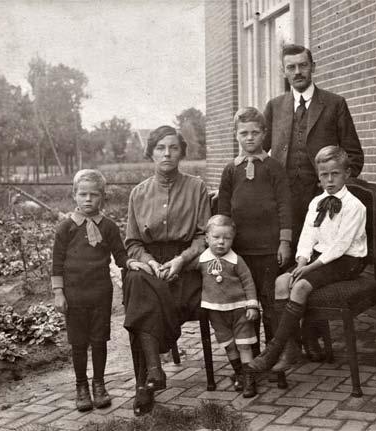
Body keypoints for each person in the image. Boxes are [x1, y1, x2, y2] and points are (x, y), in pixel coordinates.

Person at [262, 43, 364, 355]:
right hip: (284, 204)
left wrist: (332, 194)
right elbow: (260, 153)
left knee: (313, 271)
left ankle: (313, 336)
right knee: (285, 265)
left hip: (323, 207)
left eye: (302, 66)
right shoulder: (275, 106)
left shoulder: (334, 104)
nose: (297, 72)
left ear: (312, 66)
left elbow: (355, 158)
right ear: (283, 71)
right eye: (290, 67)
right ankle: (288, 340)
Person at [249, 146, 367, 372]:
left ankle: (274, 350)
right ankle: (291, 348)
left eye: (335, 174)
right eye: (324, 175)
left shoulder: (355, 206)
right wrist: (302, 261)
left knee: (301, 286)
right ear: (318, 176)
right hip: (318, 258)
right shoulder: (316, 203)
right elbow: (307, 235)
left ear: (347, 174)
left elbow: (340, 247)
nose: (329, 180)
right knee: (281, 282)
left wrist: (310, 268)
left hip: (346, 261)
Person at [123, 125, 211, 416]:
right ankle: (152, 372)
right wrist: (148, 262)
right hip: (151, 265)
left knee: (139, 299)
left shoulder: (197, 187)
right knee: (136, 280)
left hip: (186, 268)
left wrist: (180, 261)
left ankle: (146, 381)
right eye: (160, 148)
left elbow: (203, 236)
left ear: (181, 152)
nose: (167, 153)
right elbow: (133, 242)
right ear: (151, 153)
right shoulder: (138, 193)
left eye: (173, 147)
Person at [51, 169, 150, 412]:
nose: (88, 200)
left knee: (98, 340)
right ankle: (81, 386)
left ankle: (98, 384)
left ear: (102, 197)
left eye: (93, 195)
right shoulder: (65, 228)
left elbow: (119, 254)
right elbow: (56, 262)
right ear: (74, 195)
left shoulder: (108, 227)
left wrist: (130, 263)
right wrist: (58, 292)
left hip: (100, 294)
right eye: (82, 194)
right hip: (74, 295)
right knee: (78, 342)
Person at [218, 107, 292, 360]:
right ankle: (251, 357)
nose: (249, 138)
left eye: (255, 133)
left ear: (264, 134)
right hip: (240, 251)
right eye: (243, 133)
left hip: (270, 249)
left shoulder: (273, 167)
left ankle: (272, 357)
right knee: (245, 306)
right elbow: (223, 212)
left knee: (270, 305)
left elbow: (284, 204)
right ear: (236, 136)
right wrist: (224, 247)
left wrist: (284, 241)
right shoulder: (230, 170)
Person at [194, 215, 259, 398]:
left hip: (239, 310)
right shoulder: (201, 260)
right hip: (216, 312)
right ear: (207, 238)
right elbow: (188, 272)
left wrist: (252, 305)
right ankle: (239, 373)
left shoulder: (236, 261)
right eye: (216, 237)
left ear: (233, 239)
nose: (221, 242)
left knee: (244, 345)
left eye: (227, 238)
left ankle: (249, 379)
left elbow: (248, 282)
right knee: (229, 346)